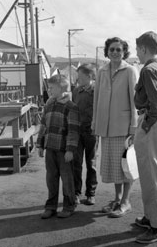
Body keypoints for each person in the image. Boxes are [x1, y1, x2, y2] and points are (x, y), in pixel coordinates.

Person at [92, 37, 138, 218]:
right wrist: (95, 122)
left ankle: (126, 201)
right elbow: (96, 99)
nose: (115, 53)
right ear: (107, 52)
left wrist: (134, 126)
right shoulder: (102, 71)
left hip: (124, 126)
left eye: (119, 50)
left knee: (126, 166)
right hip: (106, 127)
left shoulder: (130, 70)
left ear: (124, 52)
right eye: (112, 49)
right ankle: (117, 199)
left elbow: (135, 100)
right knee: (114, 166)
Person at [133, 31, 157, 244]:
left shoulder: (148, 70)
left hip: (152, 123)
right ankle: (152, 218)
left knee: (153, 176)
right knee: (149, 175)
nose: (137, 53)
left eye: (138, 49)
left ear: (144, 49)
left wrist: (145, 125)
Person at [36, 74, 80, 219]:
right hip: (50, 148)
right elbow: (43, 125)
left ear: (62, 88)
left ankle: (69, 205)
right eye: (49, 88)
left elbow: (73, 131)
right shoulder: (49, 104)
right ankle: (51, 206)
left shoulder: (71, 107)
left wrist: (70, 150)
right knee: (51, 179)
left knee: (67, 179)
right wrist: (40, 145)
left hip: (63, 150)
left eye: (52, 88)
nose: (49, 91)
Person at [72, 63, 98, 206]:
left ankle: (91, 193)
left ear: (89, 76)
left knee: (91, 163)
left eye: (80, 77)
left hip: (92, 132)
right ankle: (76, 193)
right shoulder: (76, 91)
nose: (78, 80)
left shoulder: (97, 91)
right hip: (77, 131)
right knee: (76, 163)